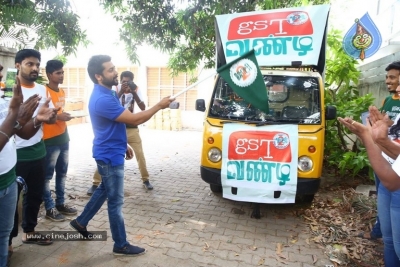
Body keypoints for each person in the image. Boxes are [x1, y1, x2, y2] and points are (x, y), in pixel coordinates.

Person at [69, 55, 173, 256]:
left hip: (112, 151)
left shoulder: (107, 93)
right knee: (115, 202)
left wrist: (123, 143)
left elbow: (113, 122)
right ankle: (120, 244)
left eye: (114, 68)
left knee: (104, 191)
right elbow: (135, 118)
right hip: (109, 157)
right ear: (99, 76)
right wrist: (159, 105)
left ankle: (80, 222)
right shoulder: (102, 98)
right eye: (110, 70)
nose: (115, 72)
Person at [0, 72, 58, 267]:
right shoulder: (13, 97)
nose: (2, 71)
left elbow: (19, 133)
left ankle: (23, 236)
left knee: (4, 230)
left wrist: (38, 119)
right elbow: (12, 128)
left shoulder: (5, 97)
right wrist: (16, 118)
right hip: (11, 172)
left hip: (8, 175)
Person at [338, 98, 400, 266]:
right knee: (389, 241)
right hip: (391, 176)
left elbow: (392, 181)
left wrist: (370, 136)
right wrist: (375, 138)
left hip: (394, 182)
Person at [9, 49, 59, 250]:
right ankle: (8, 242)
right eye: (30, 64)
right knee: (11, 201)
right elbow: (8, 120)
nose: (35, 68)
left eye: (37, 65)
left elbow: (50, 115)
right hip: (15, 154)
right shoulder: (8, 89)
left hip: (38, 151)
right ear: (18, 65)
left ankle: (29, 232)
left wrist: (51, 117)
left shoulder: (41, 89)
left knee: (35, 196)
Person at [86, 71, 153, 195]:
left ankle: (146, 179)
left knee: (140, 154)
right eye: (124, 81)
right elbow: (111, 102)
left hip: (131, 128)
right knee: (106, 157)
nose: (126, 84)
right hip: (117, 128)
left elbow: (143, 107)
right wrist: (121, 91)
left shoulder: (136, 90)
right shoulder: (114, 89)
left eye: (128, 81)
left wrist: (133, 92)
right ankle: (95, 183)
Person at [359, 61, 400, 242]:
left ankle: (387, 235)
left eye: (392, 77)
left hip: (395, 159)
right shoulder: (388, 100)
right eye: (386, 77)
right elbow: (385, 125)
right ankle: (380, 231)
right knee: (382, 196)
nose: (387, 81)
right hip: (383, 156)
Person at [42, 60, 77, 222]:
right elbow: (41, 115)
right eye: (58, 73)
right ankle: (49, 208)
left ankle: (60, 203)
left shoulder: (61, 92)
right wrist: (59, 116)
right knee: (47, 176)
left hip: (64, 137)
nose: (61, 75)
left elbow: (59, 112)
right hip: (49, 140)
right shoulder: (44, 92)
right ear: (49, 74)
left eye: (62, 72)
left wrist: (64, 116)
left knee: (62, 174)